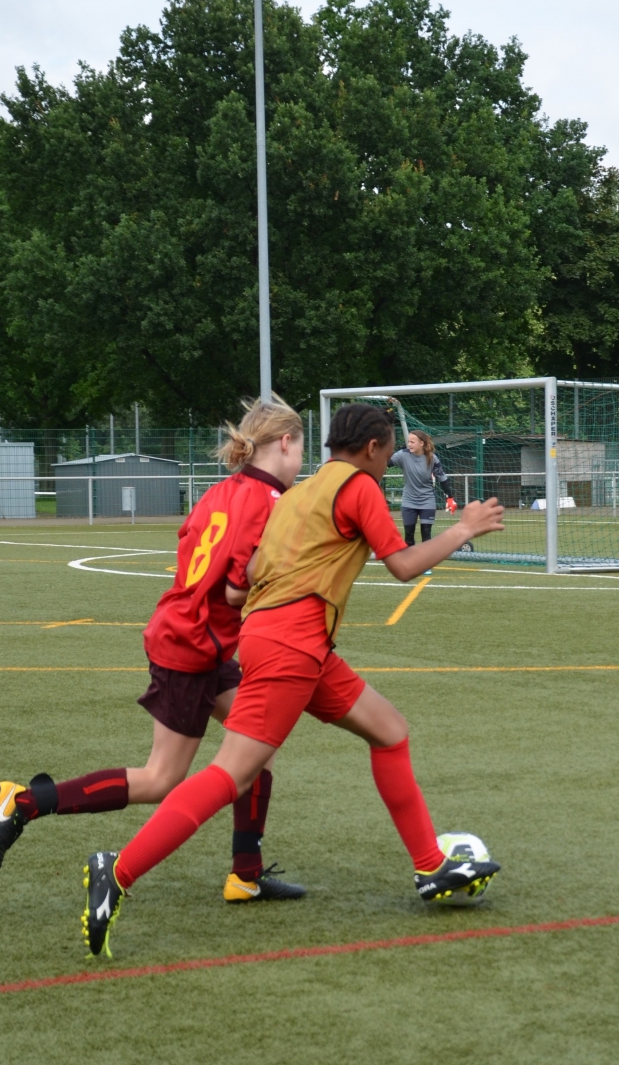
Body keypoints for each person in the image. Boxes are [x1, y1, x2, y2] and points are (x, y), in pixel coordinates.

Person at [80, 403, 505, 958]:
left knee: (389, 730)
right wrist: (464, 529)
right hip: (293, 646)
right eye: (386, 455)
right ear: (373, 449)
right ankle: (117, 871)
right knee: (230, 774)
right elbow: (402, 565)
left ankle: (430, 866)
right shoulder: (358, 486)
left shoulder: (301, 492)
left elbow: (252, 573)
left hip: (280, 637)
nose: (388, 466)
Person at [0, 397, 307, 905]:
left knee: (256, 749)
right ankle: (24, 802)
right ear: (285, 443)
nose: (302, 463)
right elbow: (235, 592)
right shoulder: (268, 502)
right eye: (302, 450)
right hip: (192, 645)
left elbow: (194, 552)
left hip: (194, 636)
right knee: (161, 778)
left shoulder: (221, 490)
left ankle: (245, 875)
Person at [388, 429, 457, 549]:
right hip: (409, 501)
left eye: (412, 442)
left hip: (427, 501)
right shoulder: (402, 455)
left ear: (421, 443)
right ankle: (411, 561)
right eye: (408, 442)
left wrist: (450, 498)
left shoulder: (432, 458)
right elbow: (387, 463)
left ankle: (427, 561)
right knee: (409, 536)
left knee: (426, 536)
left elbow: (442, 479)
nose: (409, 444)